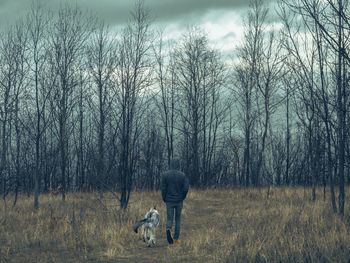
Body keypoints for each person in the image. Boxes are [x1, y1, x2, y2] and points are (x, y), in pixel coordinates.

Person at [161, 159, 189, 245]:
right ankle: (176, 239)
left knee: (169, 218)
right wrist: (182, 197)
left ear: (171, 164)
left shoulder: (165, 175)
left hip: (169, 200)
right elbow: (186, 188)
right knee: (178, 219)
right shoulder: (182, 175)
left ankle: (168, 228)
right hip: (179, 201)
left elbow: (163, 188)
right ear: (178, 165)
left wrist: (164, 198)